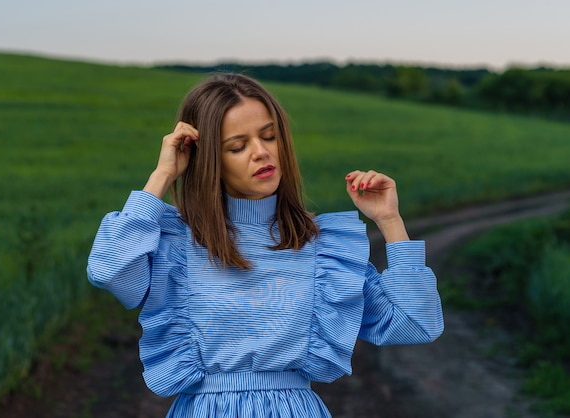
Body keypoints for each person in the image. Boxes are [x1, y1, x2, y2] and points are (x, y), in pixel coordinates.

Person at [87, 73, 443, 417]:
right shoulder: (175, 242)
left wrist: (390, 221)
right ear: (208, 158)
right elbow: (108, 269)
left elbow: (414, 323)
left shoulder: (323, 248)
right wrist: (162, 176)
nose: (261, 153)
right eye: (237, 146)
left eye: (269, 137)